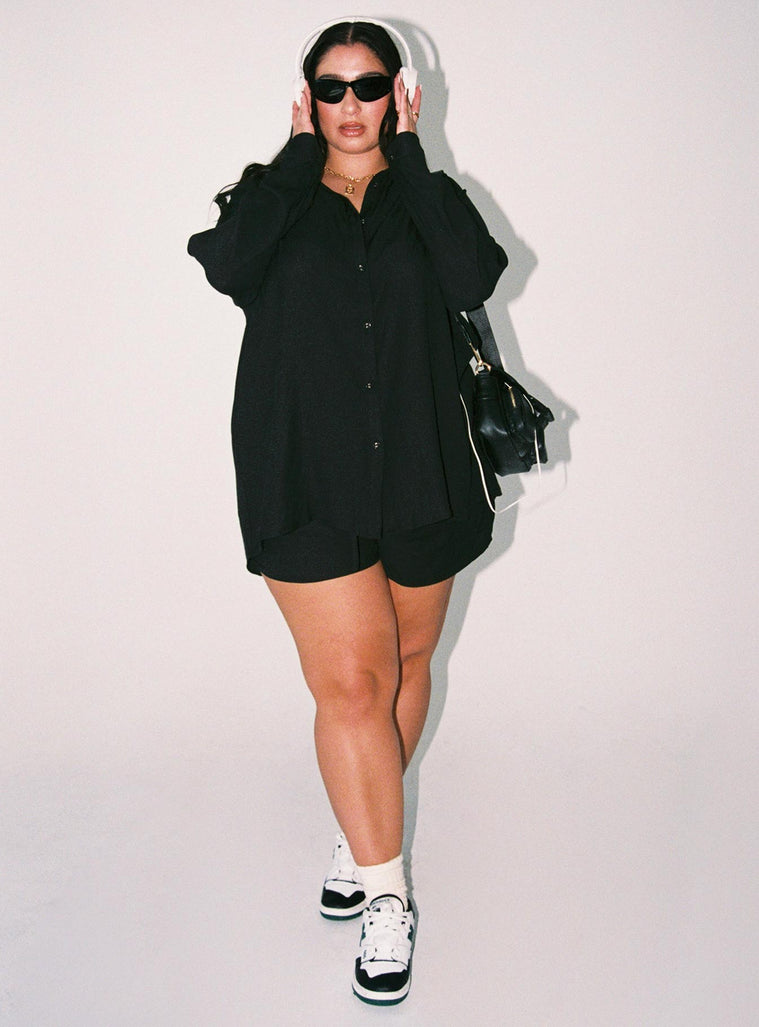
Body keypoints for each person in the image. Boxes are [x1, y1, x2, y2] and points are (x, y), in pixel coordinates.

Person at [188, 17, 507, 1006]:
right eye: (332, 88)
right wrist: (294, 158)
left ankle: (360, 831)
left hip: (422, 470)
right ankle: (385, 892)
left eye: (370, 86)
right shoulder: (272, 199)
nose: (351, 105)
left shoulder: (428, 198)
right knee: (354, 687)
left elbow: (472, 275)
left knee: (404, 664)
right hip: (303, 476)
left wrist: (410, 158)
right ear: (308, 99)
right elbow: (227, 264)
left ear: (399, 96)